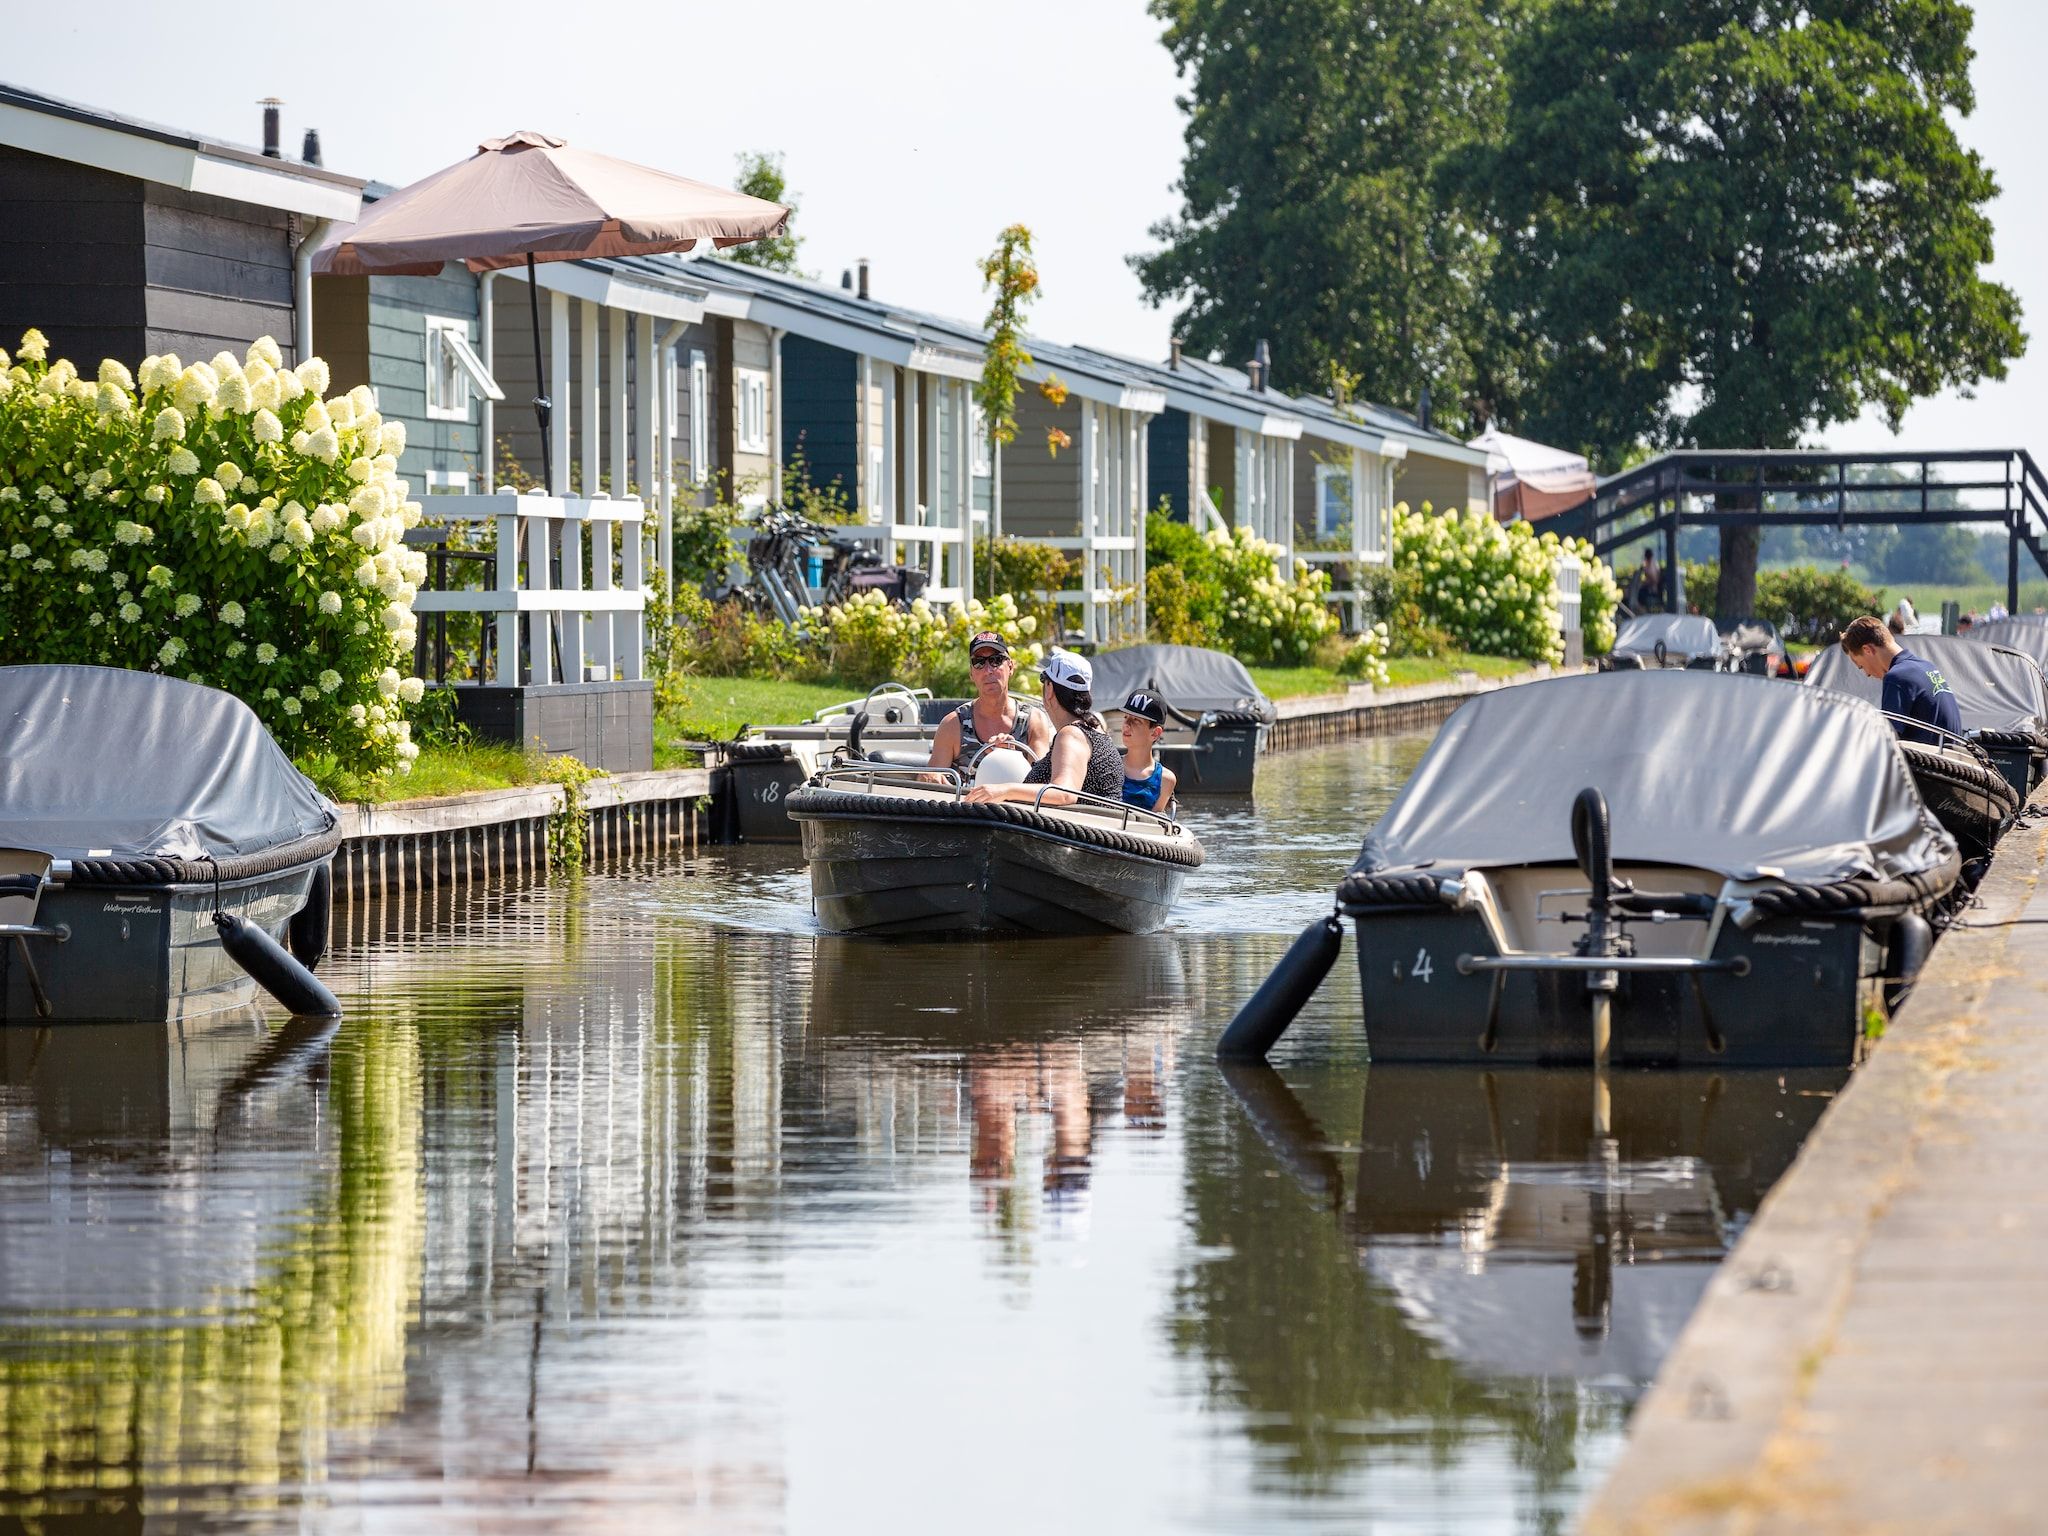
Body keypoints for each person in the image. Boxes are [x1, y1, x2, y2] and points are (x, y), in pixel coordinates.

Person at [964, 649, 1122, 807]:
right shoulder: (1095, 730)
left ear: (1049, 689)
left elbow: (1065, 793)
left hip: (1080, 829)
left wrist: (1005, 790)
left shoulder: (1071, 735)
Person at [925, 630, 1053, 778]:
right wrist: (931, 778)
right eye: (979, 662)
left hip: (1016, 801)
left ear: (1010, 667)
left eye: (996, 660)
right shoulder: (953, 725)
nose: (988, 670)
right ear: (971, 674)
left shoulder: (1033, 721)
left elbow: (1042, 782)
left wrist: (1012, 759)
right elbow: (929, 778)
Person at [1841, 614, 1961, 747]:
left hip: (1929, 765)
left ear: (1867, 650)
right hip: (1954, 760)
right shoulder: (1927, 667)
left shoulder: (1897, 677)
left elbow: (1886, 742)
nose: (1867, 674)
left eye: (1861, 666)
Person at [1117, 691, 1179, 813]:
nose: (1126, 725)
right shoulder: (1108, 766)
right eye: (1126, 717)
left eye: (1136, 720)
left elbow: (1154, 825)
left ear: (1155, 733)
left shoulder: (1165, 779)